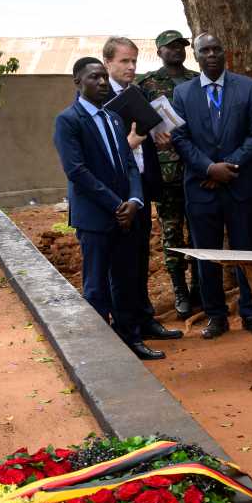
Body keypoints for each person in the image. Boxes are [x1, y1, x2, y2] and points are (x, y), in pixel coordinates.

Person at [53, 58, 156, 360]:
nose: (100, 83)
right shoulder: (68, 120)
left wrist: (135, 201)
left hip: (126, 216)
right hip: (96, 218)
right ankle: (102, 352)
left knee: (125, 281)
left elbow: (129, 164)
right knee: (96, 286)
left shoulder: (113, 117)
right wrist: (116, 204)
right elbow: (77, 171)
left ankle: (131, 340)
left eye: (102, 77)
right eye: (93, 78)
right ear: (77, 82)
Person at [169, 33, 252, 338]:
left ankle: (250, 312)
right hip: (201, 189)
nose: (211, 54)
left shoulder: (248, 87)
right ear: (196, 57)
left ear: (225, 53)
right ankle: (216, 316)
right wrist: (209, 168)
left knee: (245, 252)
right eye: (204, 50)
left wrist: (228, 167)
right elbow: (179, 138)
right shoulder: (182, 94)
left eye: (216, 49)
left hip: (241, 185)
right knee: (207, 254)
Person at [102, 35, 183, 349]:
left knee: (139, 258)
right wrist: (131, 143)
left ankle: (145, 318)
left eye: (134, 61)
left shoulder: (136, 93)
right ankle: (127, 332)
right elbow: (98, 150)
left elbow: (145, 134)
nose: (131, 67)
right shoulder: (97, 95)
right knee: (121, 265)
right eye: (124, 61)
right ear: (108, 62)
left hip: (142, 188)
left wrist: (157, 138)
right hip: (116, 196)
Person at [138, 30, 200, 319]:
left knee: (201, 232)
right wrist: (152, 136)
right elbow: (136, 122)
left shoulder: (196, 81)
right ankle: (181, 293)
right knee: (172, 233)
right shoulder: (146, 83)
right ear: (159, 51)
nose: (176, 50)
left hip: (196, 167)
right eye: (170, 47)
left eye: (180, 46)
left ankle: (200, 288)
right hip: (165, 172)